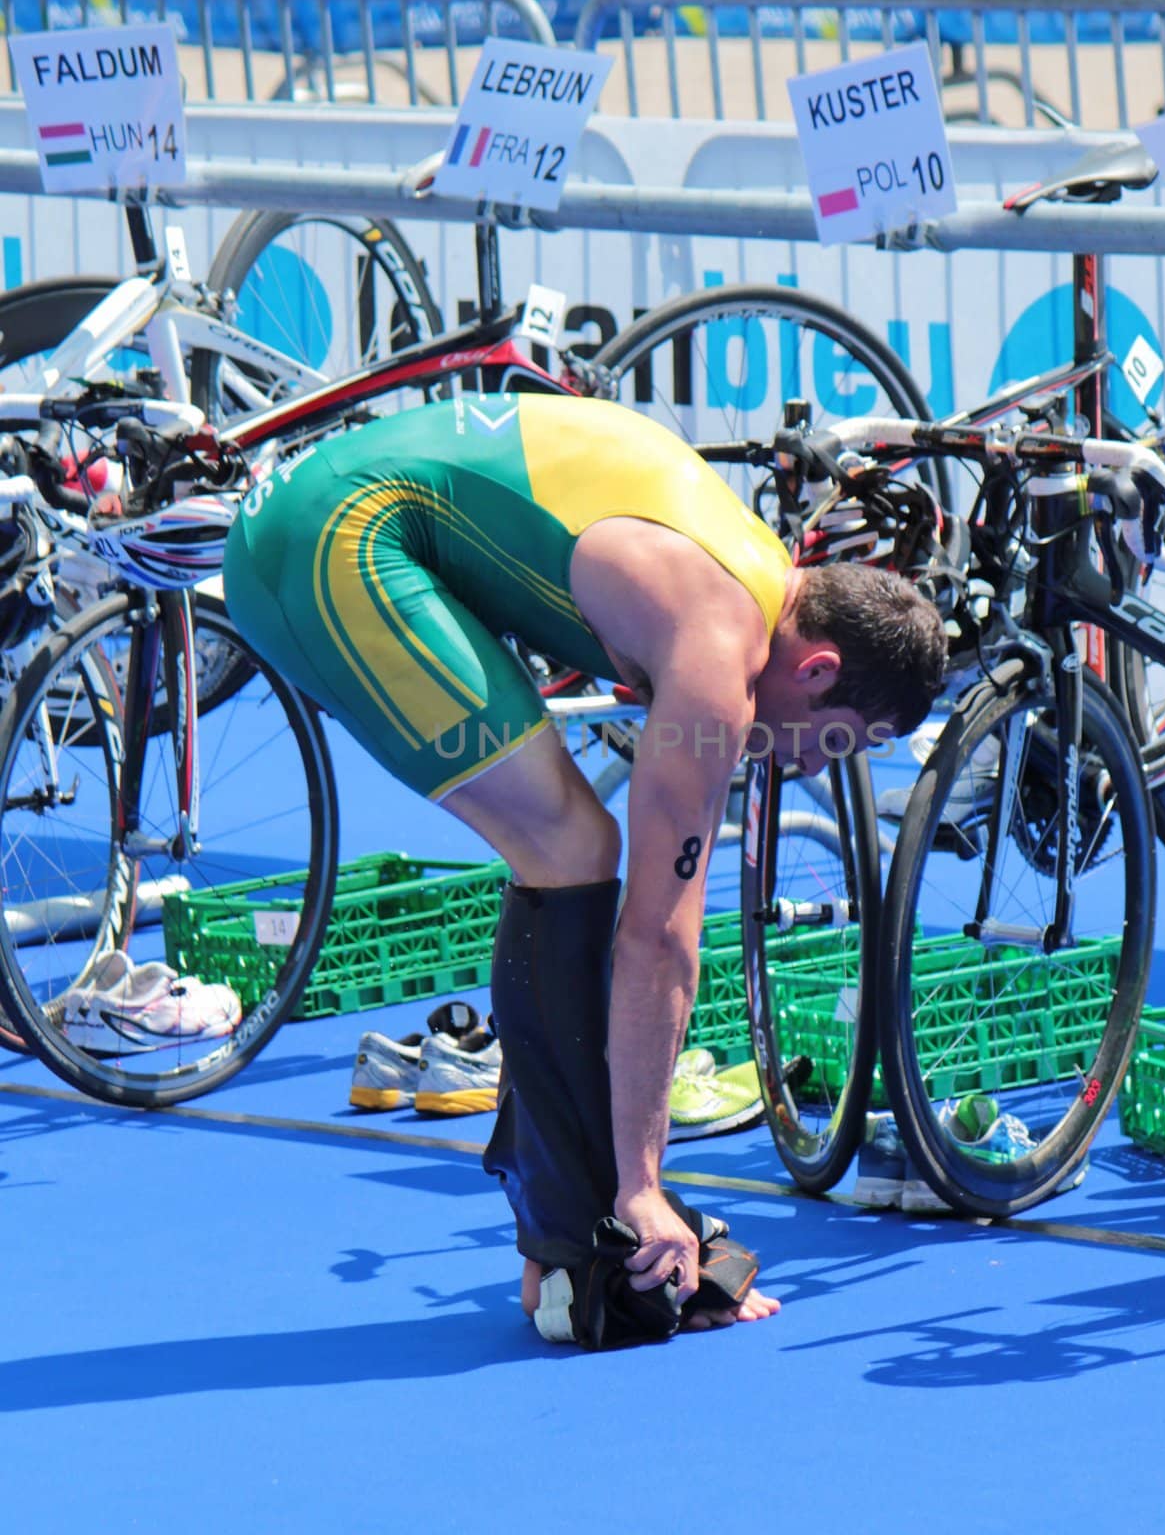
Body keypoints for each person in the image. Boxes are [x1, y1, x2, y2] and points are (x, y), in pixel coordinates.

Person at [223, 392, 947, 1346]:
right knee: (569, 846)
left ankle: (556, 1237)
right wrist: (643, 1183)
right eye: (843, 741)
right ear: (814, 672)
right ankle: (583, 1242)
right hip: (328, 544)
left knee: (570, 846)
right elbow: (658, 940)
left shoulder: (759, 582)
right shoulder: (715, 664)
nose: (817, 766)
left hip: (326, 515)